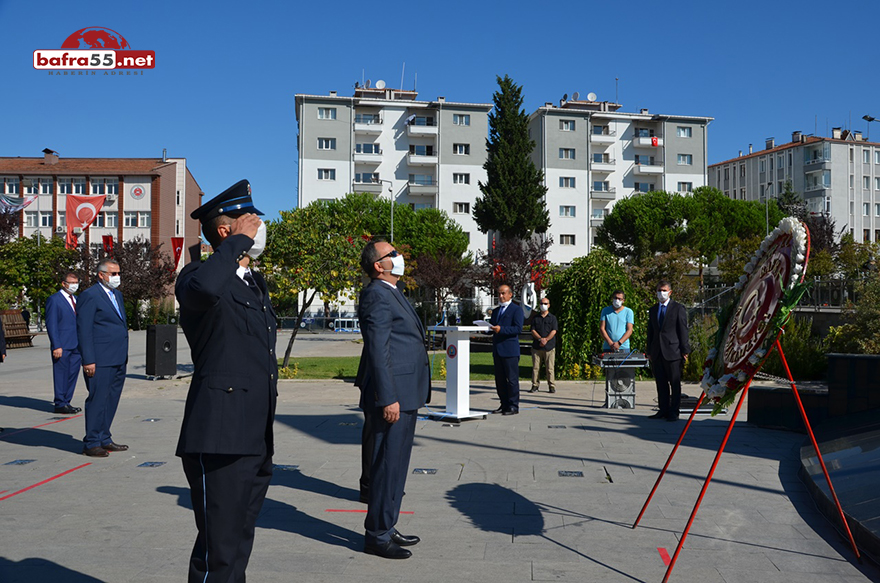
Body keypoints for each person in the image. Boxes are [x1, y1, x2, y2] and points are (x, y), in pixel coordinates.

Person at [175, 179, 278, 583]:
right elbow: (202, 290)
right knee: (218, 547)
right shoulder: (197, 275)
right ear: (226, 230)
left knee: (237, 540)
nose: (257, 227)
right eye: (250, 221)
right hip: (218, 433)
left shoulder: (252, 282)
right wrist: (236, 245)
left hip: (253, 432)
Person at [355, 240, 430, 560]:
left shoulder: (392, 292)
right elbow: (378, 350)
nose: (399, 257)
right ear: (378, 265)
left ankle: (387, 523)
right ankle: (377, 535)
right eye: (392, 254)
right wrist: (388, 397)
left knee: (396, 466)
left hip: (406, 391)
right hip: (394, 395)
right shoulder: (376, 295)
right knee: (387, 465)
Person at [77, 259, 129, 456]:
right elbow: (84, 330)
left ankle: (104, 437)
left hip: (118, 357)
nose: (117, 277)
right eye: (113, 274)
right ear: (101, 274)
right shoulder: (90, 296)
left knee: (111, 400)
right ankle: (91, 442)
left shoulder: (117, 295)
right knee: (98, 400)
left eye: (118, 273)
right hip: (100, 359)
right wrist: (88, 359)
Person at [646, 280, 690, 422]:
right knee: (661, 382)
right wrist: (649, 351)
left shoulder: (678, 308)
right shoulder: (653, 310)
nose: (661, 293)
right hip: (657, 351)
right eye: (659, 290)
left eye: (664, 290)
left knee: (674, 383)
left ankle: (674, 411)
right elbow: (651, 332)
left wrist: (685, 349)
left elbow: (683, 329)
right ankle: (663, 409)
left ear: (670, 292)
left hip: (673, 351)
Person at [46, 273, 82, 414]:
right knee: (61, 374)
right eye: (71, 282)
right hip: (62, 345)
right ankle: (60, 402)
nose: (74, 285)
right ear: (63, 283)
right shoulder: (54, 300)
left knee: (72, 373)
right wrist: (56, 345)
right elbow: (52, 324)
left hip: (76, 344)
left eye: (76, 282)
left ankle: (67, 401)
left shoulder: (77, 300)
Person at [489, 284, 524, 415]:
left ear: (510, 294)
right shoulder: (497, 311)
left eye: (503, 293)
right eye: (499, 293)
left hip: (510, 350)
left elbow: (517, 328)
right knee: (500, 379)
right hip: (498, 350)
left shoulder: (516, 310)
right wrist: (484, 328)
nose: (501, 296)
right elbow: (493, 327)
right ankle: (503, 404)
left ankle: (513, 405)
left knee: (512, 379)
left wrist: (501, 329)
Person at [529, 296, 557, 393]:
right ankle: (535, 385)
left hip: (549, 347)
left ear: (549, 305)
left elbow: (554, 330)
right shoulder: (535, 318)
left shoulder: (552, 318)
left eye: (545, 304)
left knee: (550, 368)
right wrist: (540, 339)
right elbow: (532, 330)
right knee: (536, 368)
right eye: (541, 304)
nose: (543, 306)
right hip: (537, 347)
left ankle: (551, 386)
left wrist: (546, 340)